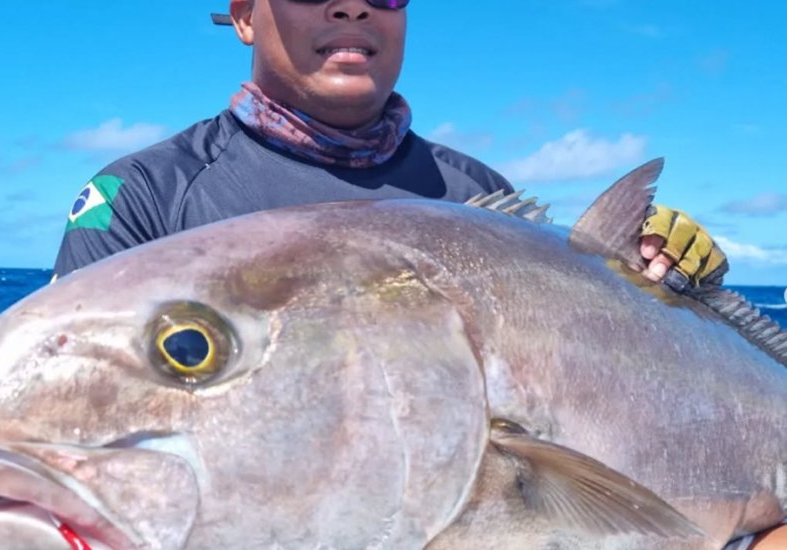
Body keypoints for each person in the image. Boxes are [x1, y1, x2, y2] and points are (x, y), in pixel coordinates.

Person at [51, 1, 783, 547]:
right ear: (243, 14)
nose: (351, 5)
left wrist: (677, 292)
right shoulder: (147, 198)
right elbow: (72, 443)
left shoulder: (475, 197)